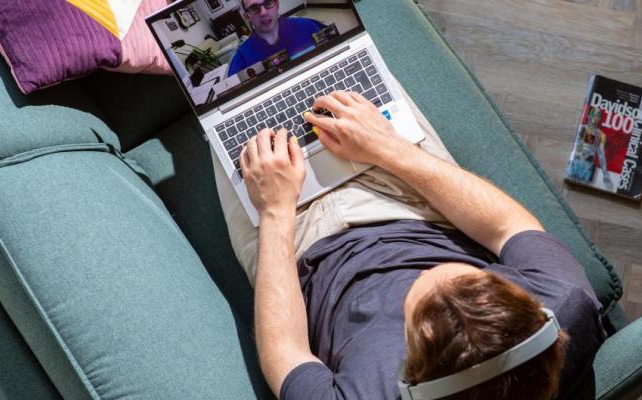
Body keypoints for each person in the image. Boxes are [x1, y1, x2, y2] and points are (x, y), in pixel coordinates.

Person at [213, 86, 606, 399]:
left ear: (412, 378)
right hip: (420, 202)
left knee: (225, 105)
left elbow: (286, 352)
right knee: (333, 63)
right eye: (474, 277)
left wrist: (276, 210)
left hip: (297, 243)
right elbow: (508, 226)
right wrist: (390, 148)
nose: (425, 272)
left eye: (415, 304)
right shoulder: (566, 307)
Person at [227, 0, 325, 76]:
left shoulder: (307, 27)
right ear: (247, 17)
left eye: (268, 2)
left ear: (277, 4)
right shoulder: (241, 60)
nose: (263, 13)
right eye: (254, 8)